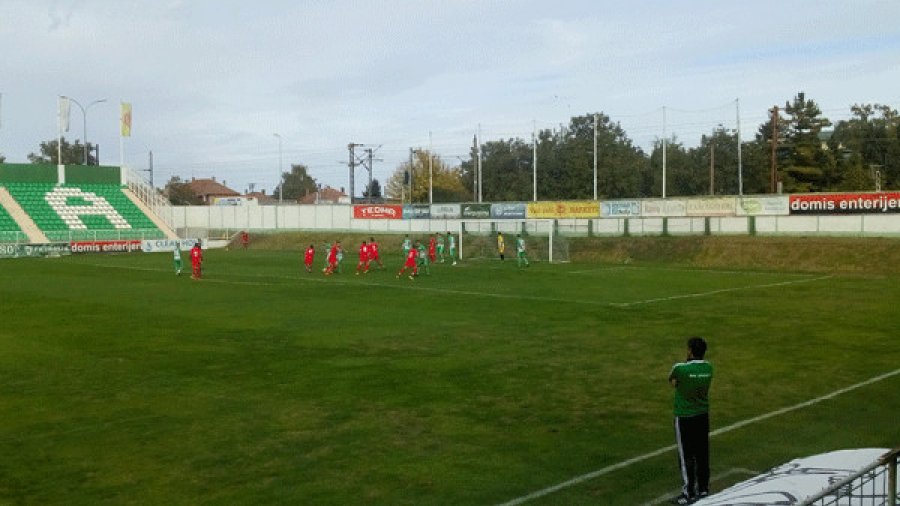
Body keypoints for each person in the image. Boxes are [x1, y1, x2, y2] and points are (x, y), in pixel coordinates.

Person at [668, 337, 713, 505]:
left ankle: (689, 493)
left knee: (686, 455)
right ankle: (703, 489)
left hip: (684, 416)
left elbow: (672, 381)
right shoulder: (709, 368)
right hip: (702, 415)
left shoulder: (680, 368)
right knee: (702, 453)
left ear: (690, 351)